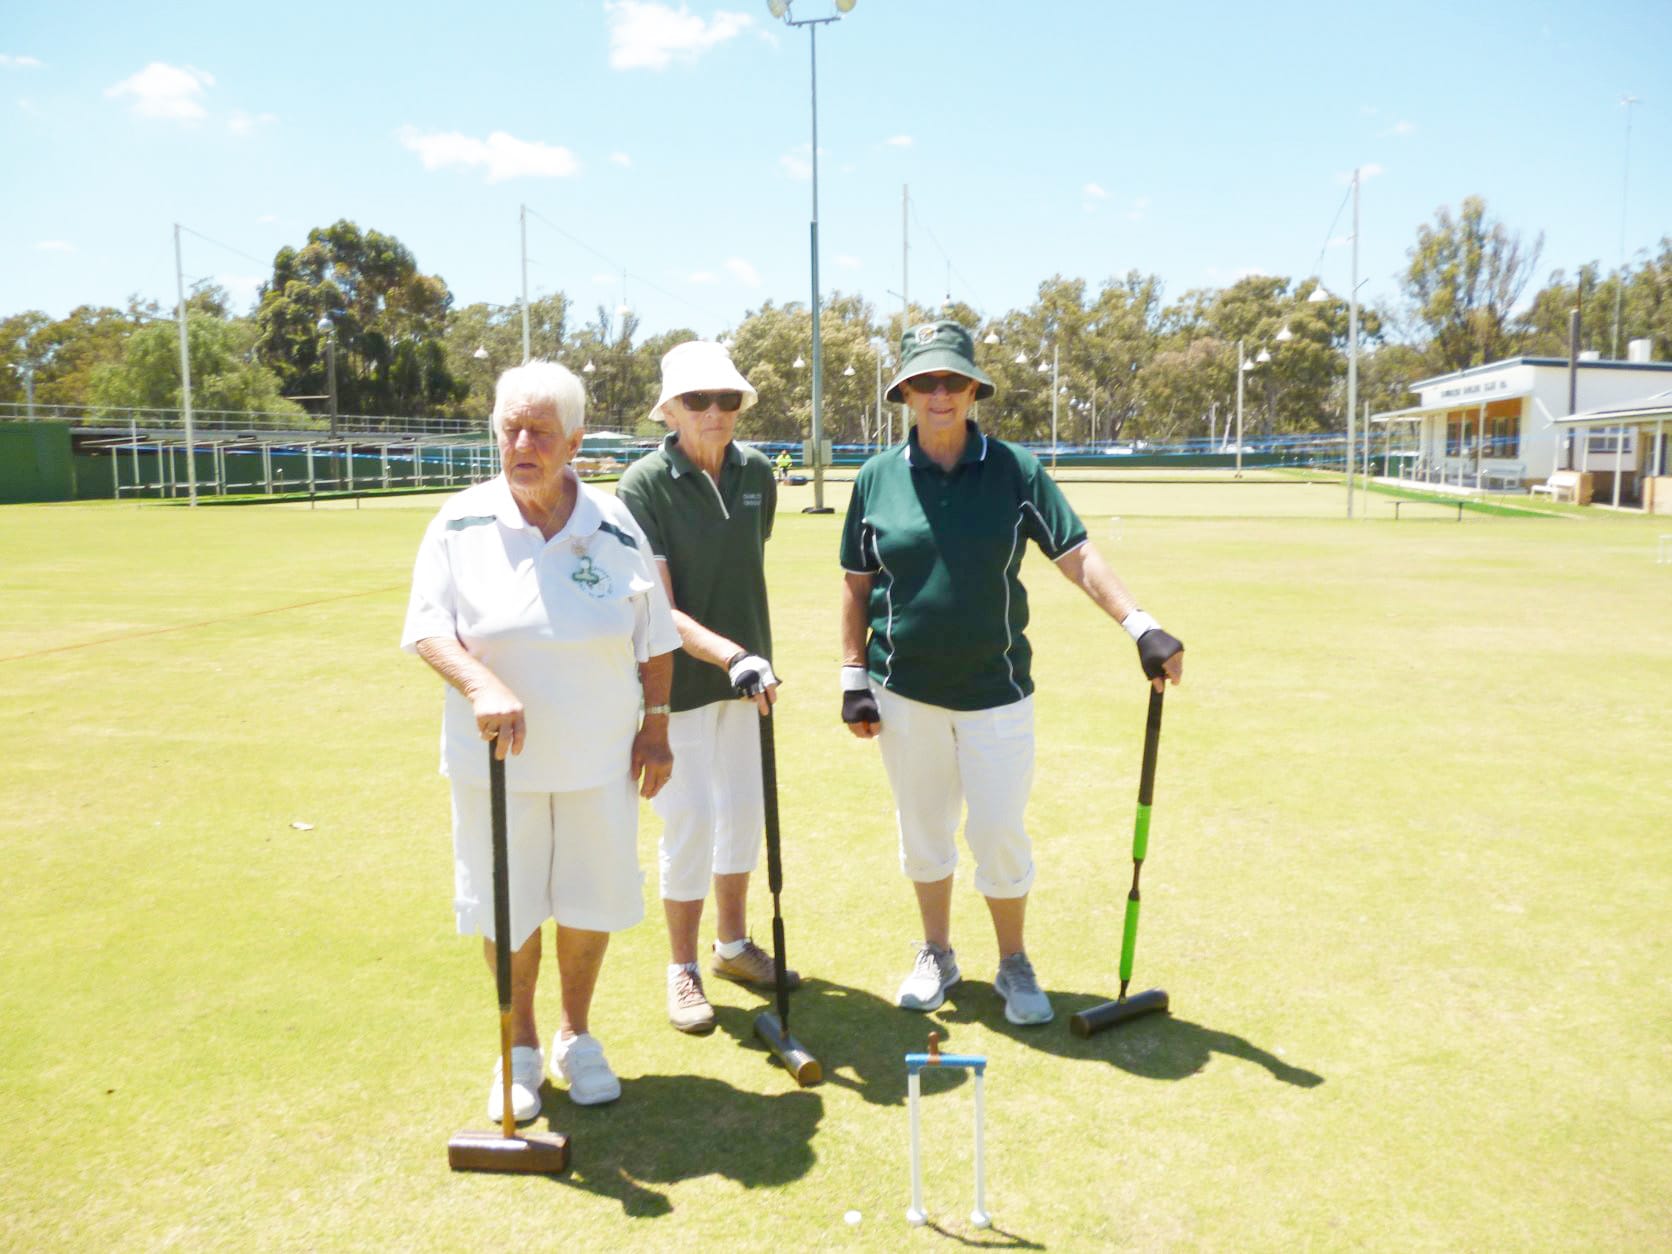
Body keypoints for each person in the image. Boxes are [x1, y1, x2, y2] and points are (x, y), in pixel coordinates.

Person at [837, 321, 1184, 1027]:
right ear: (904, 391)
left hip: (996, 694)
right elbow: (855, 580)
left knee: (998, 832)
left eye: (953, 382)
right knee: (924, 832)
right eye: (925, 382)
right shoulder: (875, 478)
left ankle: (1013, 961)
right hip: (905, 694)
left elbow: (1077, 555)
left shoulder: (1015, 469)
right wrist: (851, 675)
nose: (940, 394)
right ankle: (936, 952)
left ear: (973, 391)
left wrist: (1139, 624)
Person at [402, 360, 679, 1118]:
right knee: (508, 905)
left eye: (541, 432)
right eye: (510, 429)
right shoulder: (457, 522)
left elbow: (655, 638)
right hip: (496, 764)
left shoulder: (617, 522)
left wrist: (656, 728)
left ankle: (576, 1036)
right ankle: (518, 1048)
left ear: (575, 442)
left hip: (600, 759)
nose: (522, 443)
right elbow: (427, 626)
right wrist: (479, 683)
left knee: (590, 899)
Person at [617, 341, 799, 1035]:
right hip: (679, 683)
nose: (716, 412)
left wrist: (745, 661)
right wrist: (732, 655)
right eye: (698, 400)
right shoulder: (643, 485)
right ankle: (683, 968)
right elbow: (659, 610)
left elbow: (745, 562)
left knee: (743, 815)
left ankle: (732, 947)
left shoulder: (758, 474)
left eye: (727, 399)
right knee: (689, 821)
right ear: (670, 410)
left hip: (748, 679)